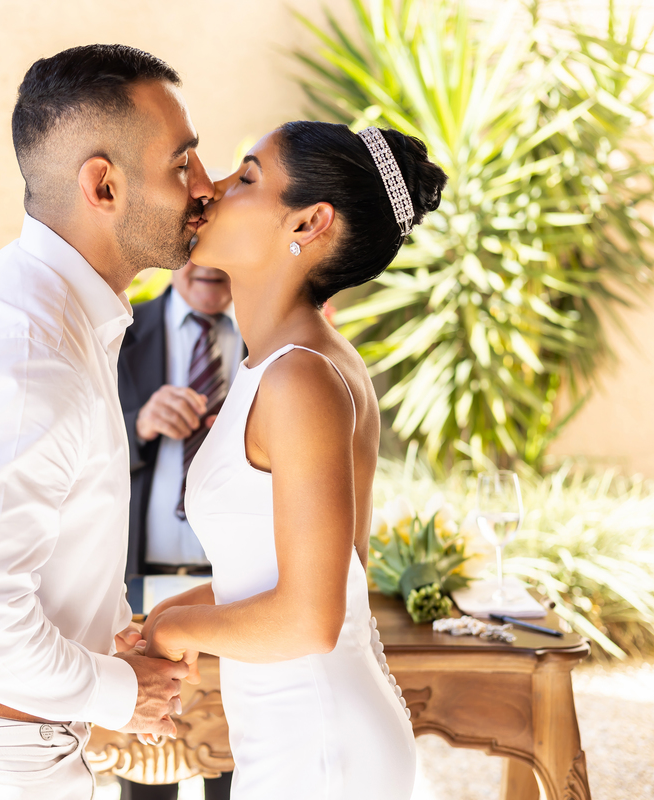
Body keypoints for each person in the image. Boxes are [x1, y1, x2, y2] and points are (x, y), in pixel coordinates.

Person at [0, 44, 215, 799]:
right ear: (104, 184)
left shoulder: (44, 311)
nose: (205, 186)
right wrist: (124, 692)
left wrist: (98, 631)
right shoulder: (29, 348)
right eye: (181, 162)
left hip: (2, 742)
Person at [142, 121, 448, 799]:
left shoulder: (300, 378)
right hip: (295, 733)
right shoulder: (282, 365)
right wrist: (161, 620)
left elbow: (311, 616)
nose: (214, 189)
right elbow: (278, 572)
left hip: (319, 747)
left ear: (309, 223)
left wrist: (180, 626)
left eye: (247, 177)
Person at [116, 261, 240, 800]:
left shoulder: (270, 342)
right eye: (197, 251)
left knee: (237, 764)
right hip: (140, 585)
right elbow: (70, 453)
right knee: (145, 771)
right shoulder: (120, 331)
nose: (210, 266)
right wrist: (139, 423)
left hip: (236, 587)